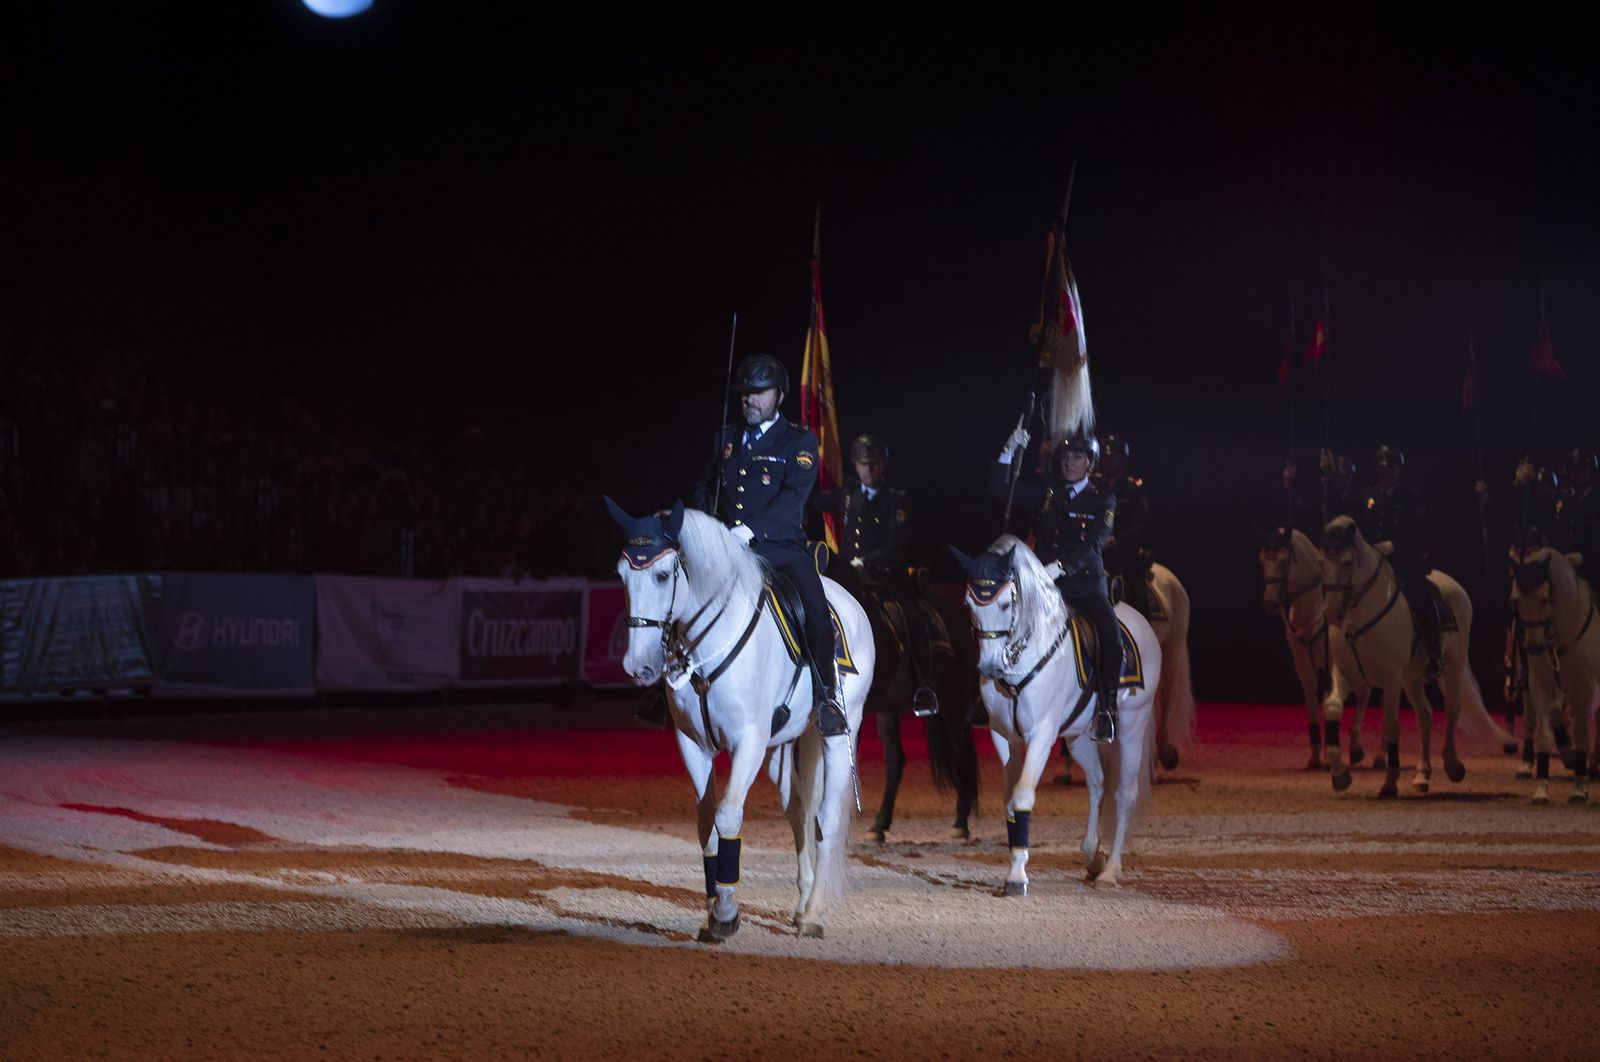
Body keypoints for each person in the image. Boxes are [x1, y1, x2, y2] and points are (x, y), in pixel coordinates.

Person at [692, 353, 847, 736]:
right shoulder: (726, 437)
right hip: (725, 550)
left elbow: (793, 498)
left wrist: (750, 531)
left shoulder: (799, 439)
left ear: (779, 395)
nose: (749, 400)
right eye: (745, 393)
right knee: (680, 599)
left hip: (778, 550)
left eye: (758, 393)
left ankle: (827, 696)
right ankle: (664, 694)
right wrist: (703, 531)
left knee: (815, 610)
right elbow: (705, 488)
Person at [988, 422, 1121, 743]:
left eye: (1076, 457)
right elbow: (1000, 489)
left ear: (1090, 462)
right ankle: (986, 702)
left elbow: (1094, 545)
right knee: (997, 619)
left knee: (1112, 640)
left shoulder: (1103, 500)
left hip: (1084, 586)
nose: (1068, 462)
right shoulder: (1048, 491)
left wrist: (1061, 567)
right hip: (1045, 589)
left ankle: (1107, 709)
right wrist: (1007, 452)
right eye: (1064, 457)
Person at [814, 433, 936, 713]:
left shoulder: (896, 500)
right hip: (850, 581)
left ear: (883, 466)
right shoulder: (847, 495)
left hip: (886, 580)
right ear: (854, 466)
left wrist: (864, 562)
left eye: (874, 464)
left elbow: (896, 547)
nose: (868, 469)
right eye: (862, 463)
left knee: (914, 619)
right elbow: (813, 498)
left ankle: (923, 687)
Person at [1355, 444, 1440, 678]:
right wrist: (1329, 478)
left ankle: (1434, 653)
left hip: (1404, 563)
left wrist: (1395, 545)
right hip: (1373, 563)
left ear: (1399, 470)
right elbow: (1349, 515)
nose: (1386, 473)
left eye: (1391, 468)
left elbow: (1421, 533)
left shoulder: (1410, 497)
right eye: (1382, 468)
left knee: (1422, 595)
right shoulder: (1367, 496)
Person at [1094, 432, 1152, 618]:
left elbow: (1141, 526)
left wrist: (1114, 540)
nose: (1106, 461)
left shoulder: (1132, 489)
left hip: (1122, 558)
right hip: (1095, 555)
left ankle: (1145, 634)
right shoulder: (1093, 486)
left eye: (1111, 457)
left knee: (1137, 593)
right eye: (1103, 456)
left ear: (1121, 459)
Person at [1552, 447, 1600, 590]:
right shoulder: (1563, 501)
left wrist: (1583, 557)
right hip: (1564, 577)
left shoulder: (1597, 501)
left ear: (1591, 472)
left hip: (1594, 578)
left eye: (1582, 470)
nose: (1577, 474)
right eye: (1574, 470)